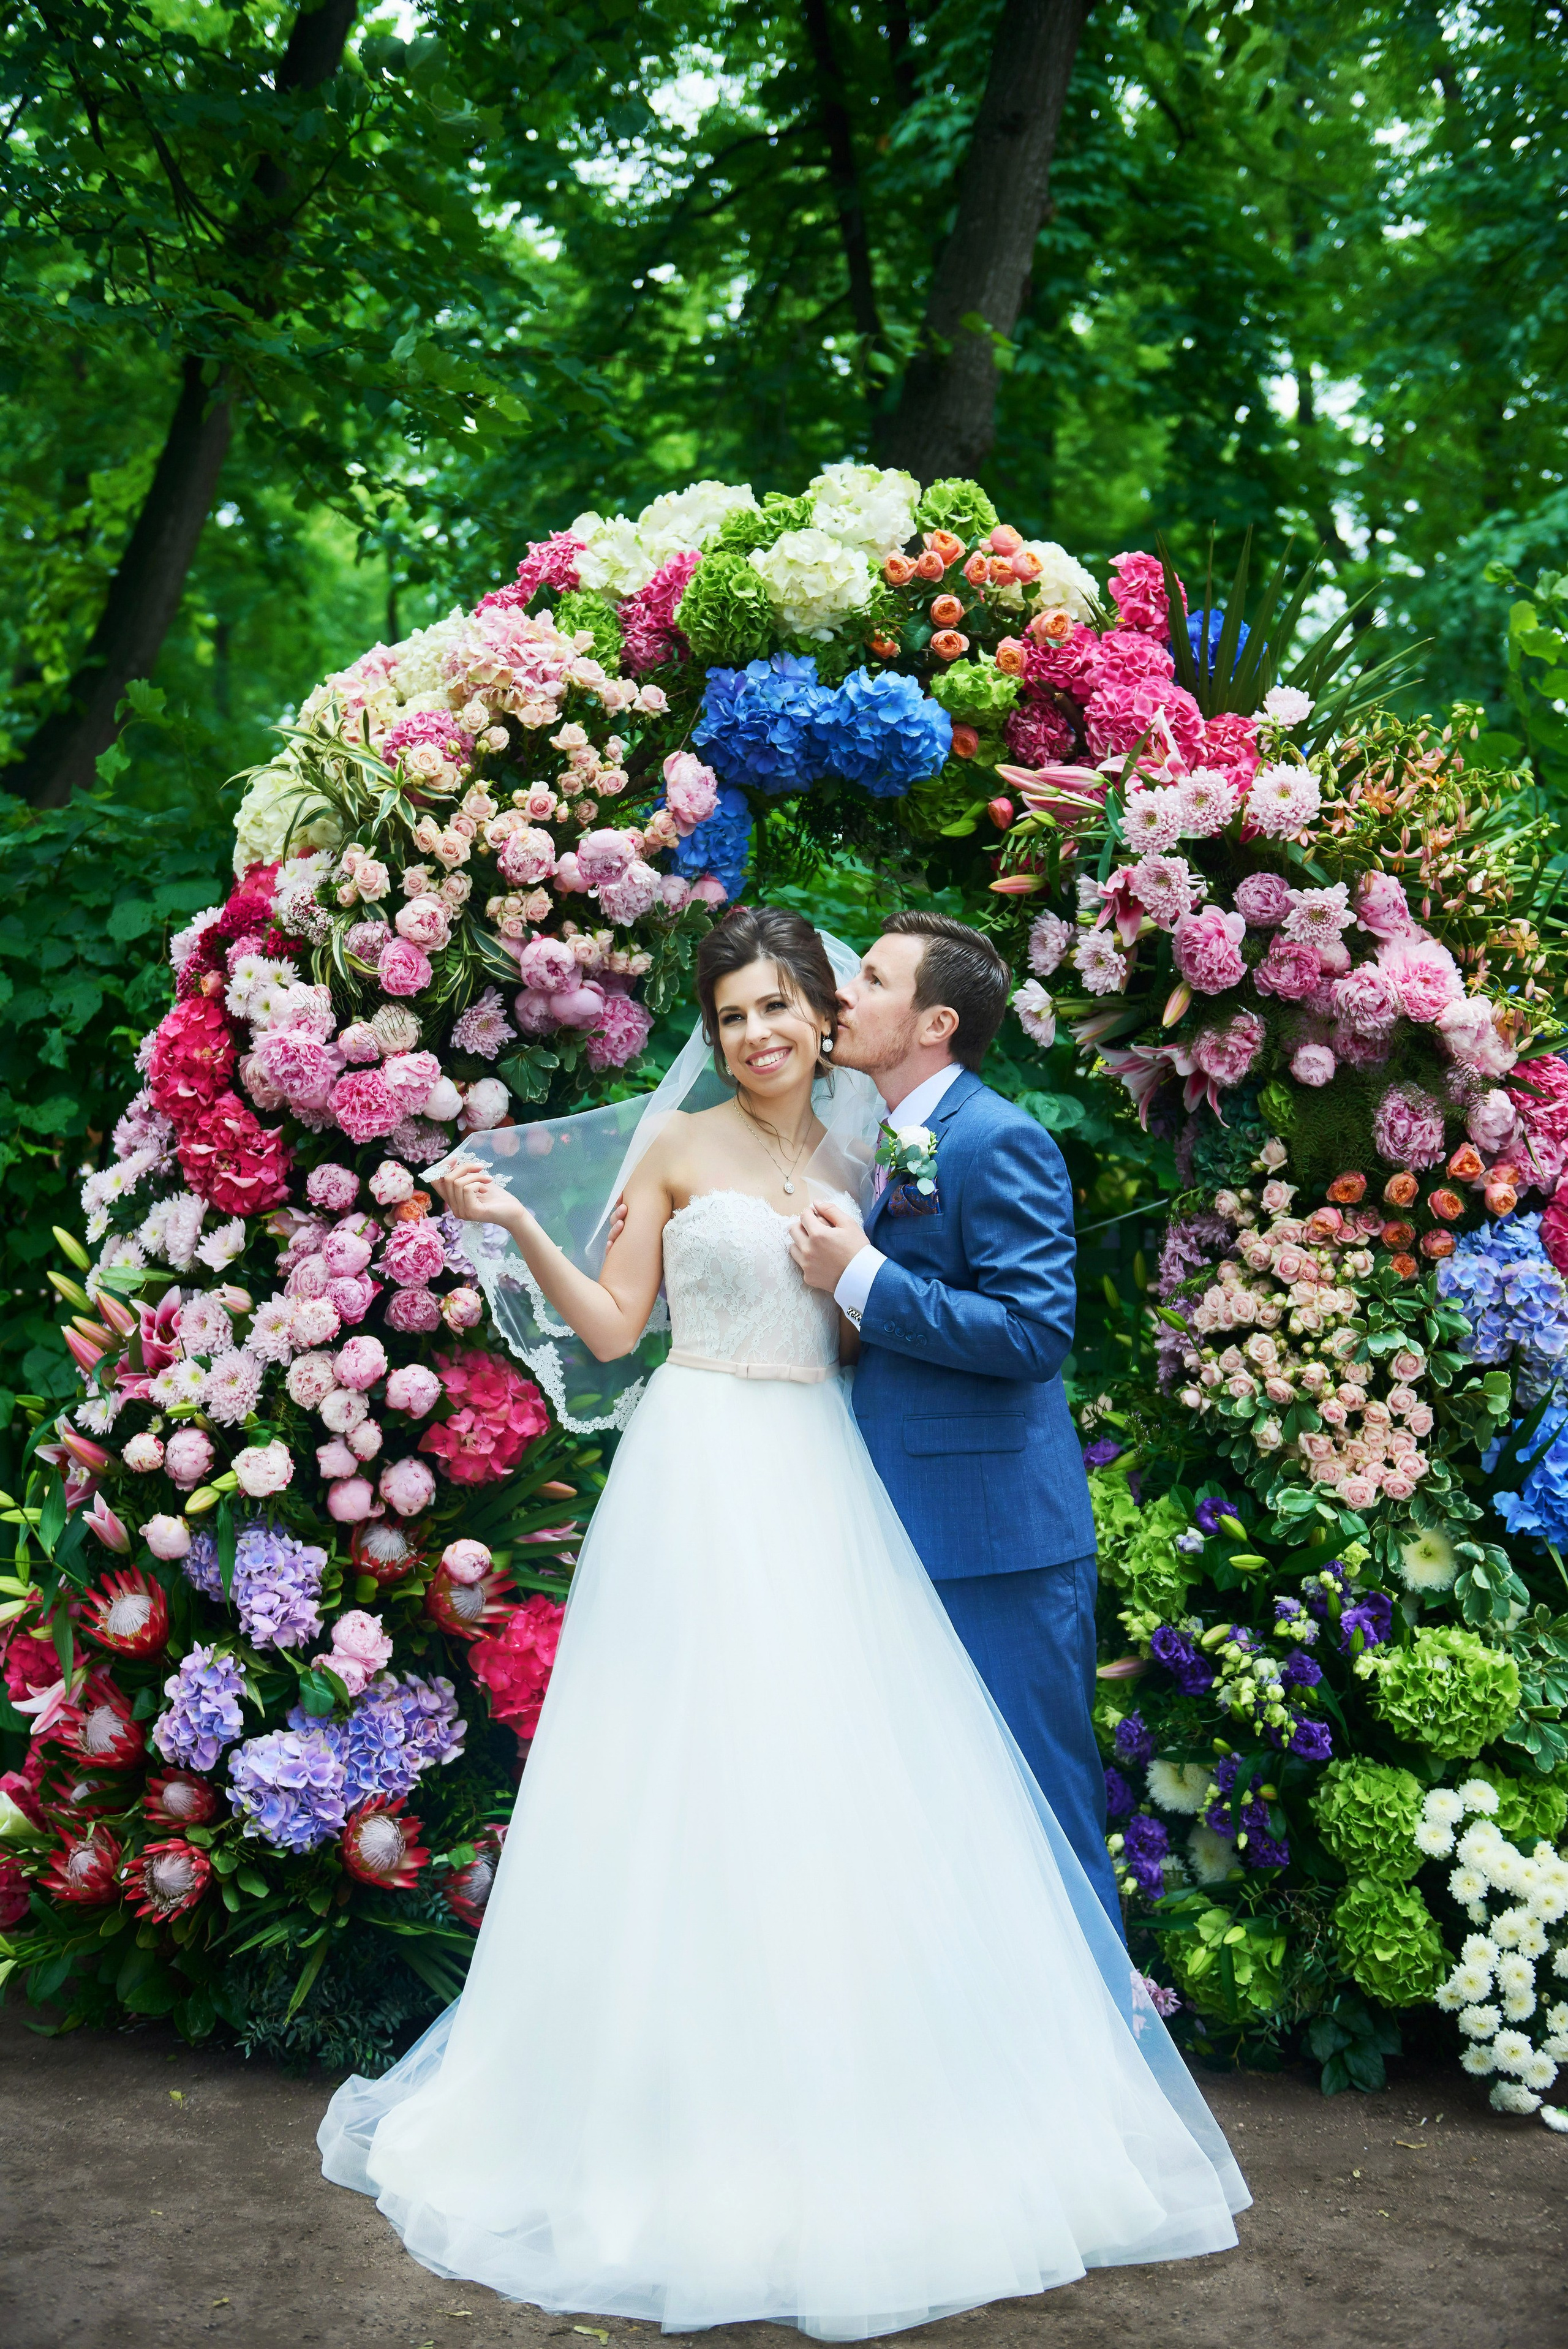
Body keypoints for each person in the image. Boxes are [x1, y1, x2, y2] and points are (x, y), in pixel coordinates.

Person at [317, 905, 1248, 2336]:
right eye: (733, 1010)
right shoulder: (678, 1147)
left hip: (835, 1483)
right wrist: (512, 1226)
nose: (757, 1032)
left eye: (786, 1005)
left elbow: (908, 1321)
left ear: (827, 1019)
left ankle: (889, 2100)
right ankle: (674, 2106)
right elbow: (618, 1332)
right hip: (699, 1471)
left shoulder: (881, 1152)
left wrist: (853, 1274)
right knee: (685, 1780)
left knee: (850, 1788)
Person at [786, 911, 1120, 1931]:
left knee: (1040, 1803)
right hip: (896, 1526)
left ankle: (1101, 2058)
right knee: (937, 1810)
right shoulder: (880, 1144)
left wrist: (865, 1279)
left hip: (998, 1540)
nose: (843, 995)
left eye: (872, 981)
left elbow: (1033, 1333)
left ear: (934, 1022)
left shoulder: (1000, 1137)